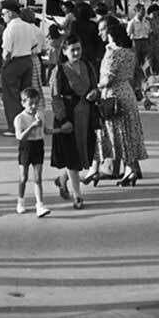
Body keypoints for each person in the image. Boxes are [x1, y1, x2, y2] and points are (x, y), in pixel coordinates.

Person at [96, 21, 149, 186]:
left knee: (115, 133)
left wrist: (96, 87)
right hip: (127, 92)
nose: (100, 34)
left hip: (113, 95)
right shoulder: (130, 52)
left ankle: (124, 168)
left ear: (111, 34)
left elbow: (109, 78)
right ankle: (130, 168)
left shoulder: (112, 53)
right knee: (128, 132)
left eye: (102, 31)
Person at [50, 36, 97, 207]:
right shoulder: (59, 71)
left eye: (78, 48)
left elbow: (95, 86)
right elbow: (55, 97)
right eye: (72, 50)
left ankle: (63, 179)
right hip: (69, 116)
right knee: (72, 156)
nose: (76, 52)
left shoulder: (88, 66)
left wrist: (95, 93)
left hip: (86, 115)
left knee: (81, 156)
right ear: (64, 52)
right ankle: (78, 196)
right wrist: (63, 119)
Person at [13, 86, 51, 217]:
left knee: (38, 177)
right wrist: (32, 126)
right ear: (23, 103)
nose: (34, 106)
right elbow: (19, 136)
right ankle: (20, 201)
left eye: (36, 103)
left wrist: (61, 130)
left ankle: (40, 204)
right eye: (30, 104)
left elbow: (46, 130)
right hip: (26, 147)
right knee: (23, 177)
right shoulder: (20, 118)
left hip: (38, 145)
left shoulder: (40, 114)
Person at [0, 0, 36, 128]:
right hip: (27, 60)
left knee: (11, 96)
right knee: (26, 95)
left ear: (10, 13)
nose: (3, 17)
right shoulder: (27, 26)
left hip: (14, 63)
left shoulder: (10, 29)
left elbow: (6, 53)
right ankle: (27, 123)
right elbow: (34, 43)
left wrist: (4, 64)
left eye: (3, 14)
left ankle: (14, 126)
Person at [126, 2, 152, 91]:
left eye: (144, 10)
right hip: (136, 42)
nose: (143, 12)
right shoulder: (132, 23)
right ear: (136, 12)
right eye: (141, 11)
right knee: (137, 64)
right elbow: (128, 35)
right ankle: (137, 84)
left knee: (147, 62)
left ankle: (148, 82)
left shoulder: (146, 21)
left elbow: (149, 33)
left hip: (145, 42)